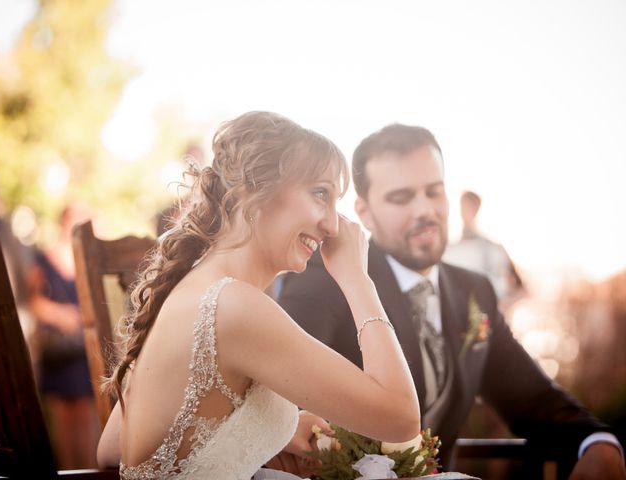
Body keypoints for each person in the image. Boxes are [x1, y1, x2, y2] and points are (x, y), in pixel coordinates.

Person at [278, 124, 626, 479]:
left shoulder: (475, 291)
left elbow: (531, 398)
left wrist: (597, 443)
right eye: (402, 198)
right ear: (364, 212)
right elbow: (279, 392)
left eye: (434, 192)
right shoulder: (325, 278)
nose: (424, 210)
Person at [96, 111, 421, 479]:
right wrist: (357, 279)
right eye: (320, 194)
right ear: (253, 189)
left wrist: (255, 436)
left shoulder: (195, 289)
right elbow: (401, 417)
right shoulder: (235, 307)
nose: (333, 225)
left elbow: (110, 451)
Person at [26, 203, 98, 468]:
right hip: (57, 352)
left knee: (86, 421)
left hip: (82, 352)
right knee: (62, 424)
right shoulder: (44, 259)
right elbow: (32, 301)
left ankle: (89, 471)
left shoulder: (90, 260)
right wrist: (61, 315)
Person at [443, 190, 525, 311]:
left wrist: (500, 308)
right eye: (463, 207)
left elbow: (521, 289)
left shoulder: (494, 249)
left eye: (470, 207)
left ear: (477, 209)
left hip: (489, 322)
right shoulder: (449, 251)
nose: (466, 212)